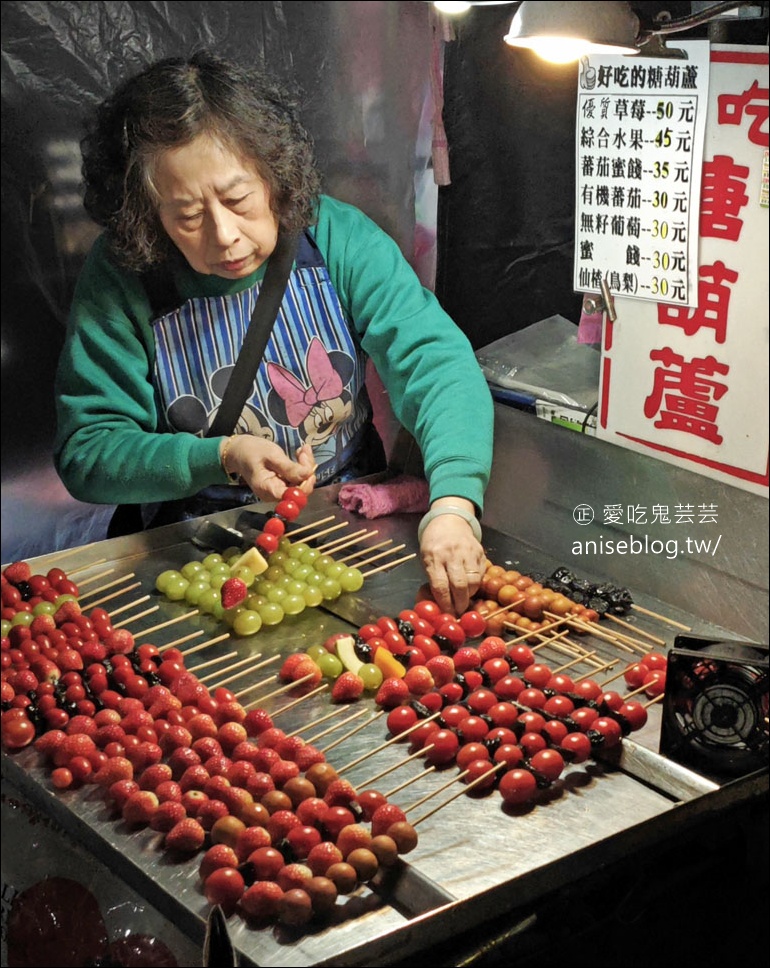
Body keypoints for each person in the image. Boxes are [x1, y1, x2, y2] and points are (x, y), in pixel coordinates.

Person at [54, 51, 494, 615]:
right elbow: (88, 451)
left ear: (273, 173)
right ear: (147, 216)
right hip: (193, 551)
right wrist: (222, 454)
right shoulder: (122, 276)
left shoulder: (336, 237)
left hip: (344, 517)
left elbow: (436, 365)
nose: (226, 236)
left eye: (239, 200)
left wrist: (455, 504)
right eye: (188, 216)